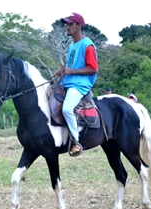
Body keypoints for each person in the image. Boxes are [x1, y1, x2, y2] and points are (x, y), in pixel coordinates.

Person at [58, 12, 98, 157]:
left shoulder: (87, 45)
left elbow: (93, 68)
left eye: (70, 24)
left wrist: (71, 71)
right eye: (67, 24)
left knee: (67, 109)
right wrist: (62, 70)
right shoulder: (72, 45)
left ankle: (76, 142)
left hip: (80, 85)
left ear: (79, 26)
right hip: (68, 82)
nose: (67, 27)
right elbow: (70, 66)